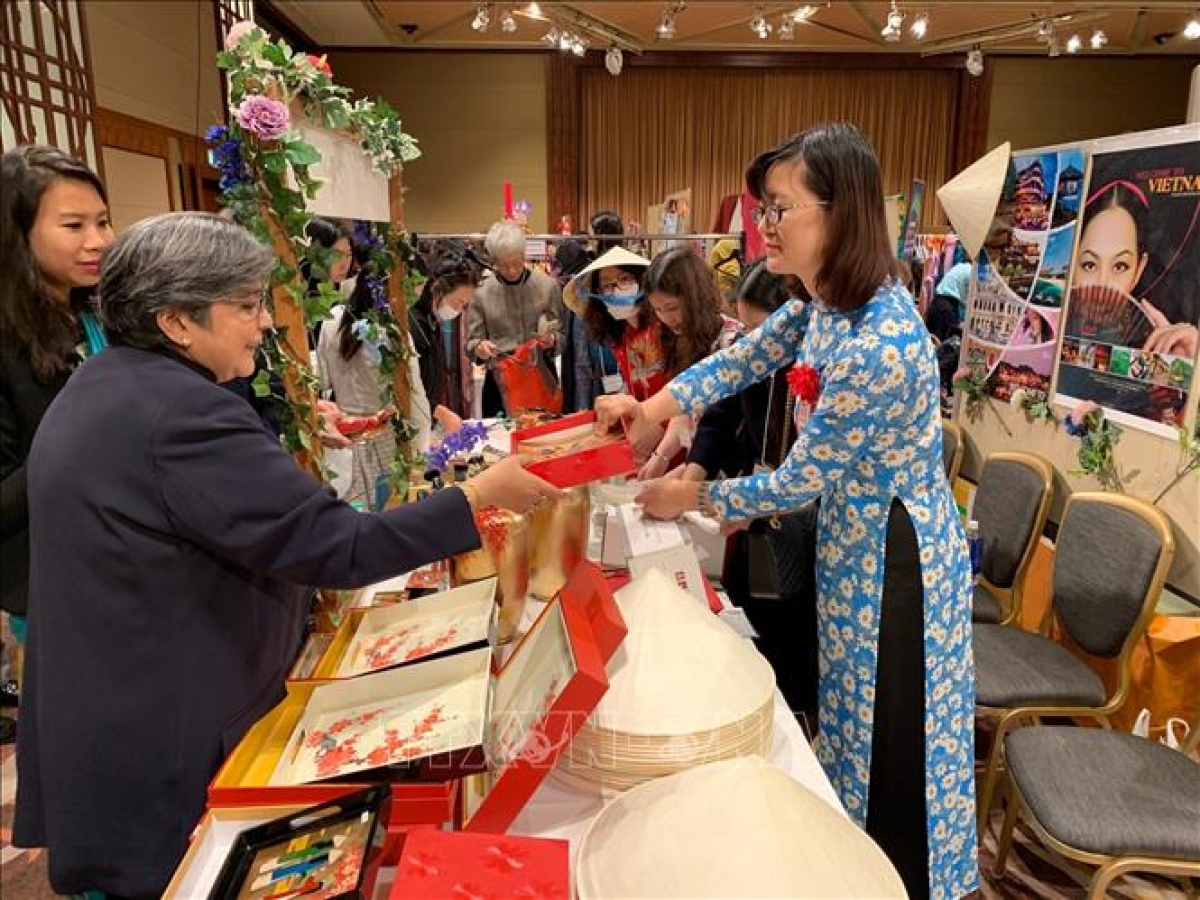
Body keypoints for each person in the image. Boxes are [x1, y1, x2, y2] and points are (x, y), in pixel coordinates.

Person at [13, 212, 561, 899]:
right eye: (246, 306)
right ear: (177, 321)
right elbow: (338, 544)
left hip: (123, 707)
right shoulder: (177, 414)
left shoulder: (111, 384)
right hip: (164, 737)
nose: (266, 324)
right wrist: (477, 496)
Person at [598, 123, 978, 900]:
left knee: (890, 736)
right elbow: (745, 356)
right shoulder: (827, 304)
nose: (764, 227)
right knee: (846, 726)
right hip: (852, 542)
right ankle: (846, 867)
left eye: (781, 209)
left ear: (841, 214)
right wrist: (655, 405)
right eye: (763, 208)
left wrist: (694, 497)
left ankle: (898, 879)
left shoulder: (883, 340)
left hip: (896, 561)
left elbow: (796, 481)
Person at [0, 146, 115, 748]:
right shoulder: (5, 340)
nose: (97, 240)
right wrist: (79, 428)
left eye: (101, 221)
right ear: (19, 233)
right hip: (59, 593)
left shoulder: (97, 315)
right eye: (73, 226)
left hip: (128, 569)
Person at [637, 246, 743, 480]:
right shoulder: (680, 338)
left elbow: (725, 432)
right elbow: (683, 409)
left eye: (672, 308)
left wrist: (684, 478)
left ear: (697, 298)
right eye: (658, 310)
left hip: (727, 476)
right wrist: (660, 457)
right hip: (700, 466)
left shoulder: (732, 343)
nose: (666, 318)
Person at [562, 246, 669, 459]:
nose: (616, 289)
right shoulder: (623, 334)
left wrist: (660, 426)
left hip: (672, 437)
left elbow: (685, 386)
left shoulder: (664, 326)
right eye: (606, 285)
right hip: (643, 438)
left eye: (625, 279)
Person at [1075, 181, 1197, 359]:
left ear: (1139, 270)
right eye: (1089, 265)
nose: (1102, 286)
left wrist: (1185, 367)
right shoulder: (1039, 326)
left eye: (1119, 266)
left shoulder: (1150, 344)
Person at [465, 221, 565, 416]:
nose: (511, 270)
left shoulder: (547, 286)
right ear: (493, 261)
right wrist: (480, 348)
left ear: (524, 255)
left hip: (541, 375)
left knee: (544, 437)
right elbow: (471, 344)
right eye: (503, 265)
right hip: (500, 380)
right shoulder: (481, 293)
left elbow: (562, 335)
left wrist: (552, 341)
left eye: (516, 263)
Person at [409, 247, 485, 419]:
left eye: (464, 305)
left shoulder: (432, 320)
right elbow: (414, 384)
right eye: (458, 302)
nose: (459, 310)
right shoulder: (416, 322)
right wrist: (439, 411)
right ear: (438, 289)